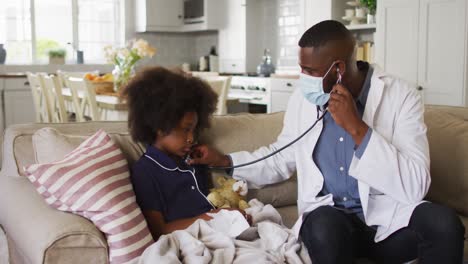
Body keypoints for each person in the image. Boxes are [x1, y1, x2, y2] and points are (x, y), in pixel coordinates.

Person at [188, 20, 465, 263]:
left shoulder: (401, 96)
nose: (303, 78)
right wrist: (224, 161)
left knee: (444, 225)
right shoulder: (304, 100)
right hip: (331, 221)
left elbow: (416, 185)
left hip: (388, 223)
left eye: (310, 71)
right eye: (301, 68)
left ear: (339, 69)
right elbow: (281, 157)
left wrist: (357, 128)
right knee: (323, 226)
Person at [124, 67, 249, 241]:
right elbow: (159, 231)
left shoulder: (193, 160)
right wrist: (210, 218)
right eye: (186, 130)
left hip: (217, 233)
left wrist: (229, 217)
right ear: (160, 126)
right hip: (187, 240)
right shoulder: (146, 172)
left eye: (194, 130)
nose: (191, 138)